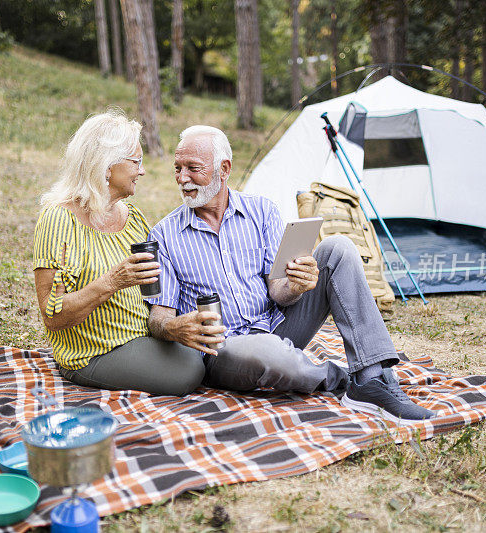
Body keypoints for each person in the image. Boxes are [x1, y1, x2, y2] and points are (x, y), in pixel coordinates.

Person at [145, 125, 435, 423]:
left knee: (338, 247)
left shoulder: (262, 211)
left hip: (278, 327)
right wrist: (175, 327)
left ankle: (372, 379)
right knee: (269, 352)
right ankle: (344, 378)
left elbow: (278, 291)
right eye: (177, 168)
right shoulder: (163, 236)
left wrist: (297, 285)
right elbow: (159, 317)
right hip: (225, 350)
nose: (182, 178)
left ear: (224, 168)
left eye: (193, 168)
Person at [32, 110, 205, 396]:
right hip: (94, 351)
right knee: (190, 369)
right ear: (107, 166)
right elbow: (53, 315)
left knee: (201, 350)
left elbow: (157, 287)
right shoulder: (59, 220)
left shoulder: (133, 217)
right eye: (136, 161)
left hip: (142, 336)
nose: (142, 170)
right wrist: (114, 280)